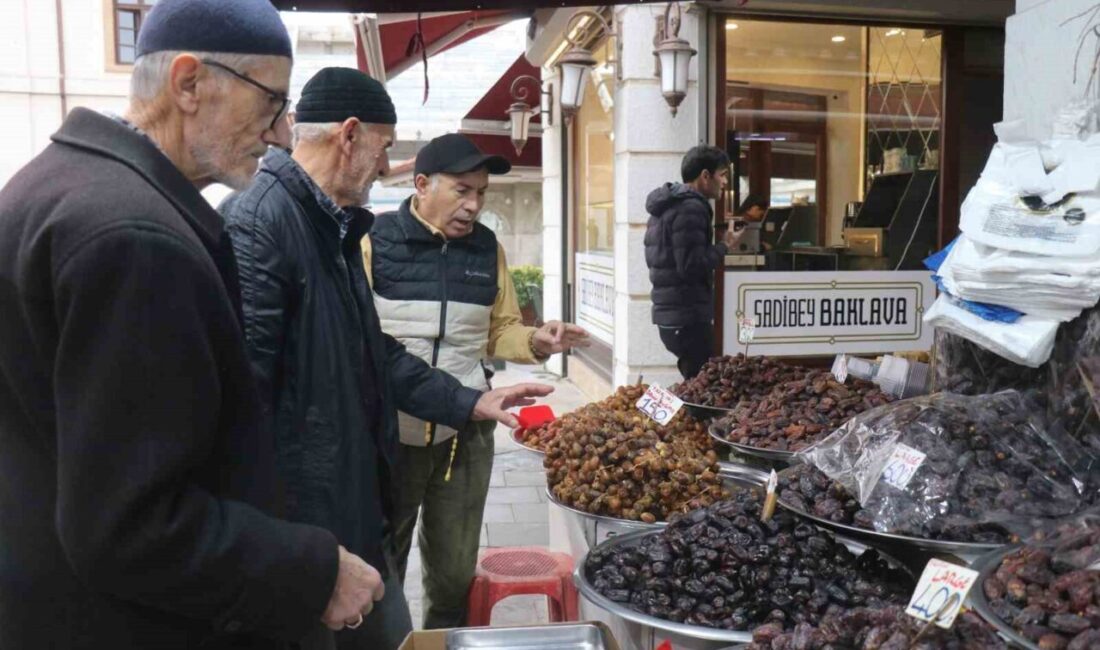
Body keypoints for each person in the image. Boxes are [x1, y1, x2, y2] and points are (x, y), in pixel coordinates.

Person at [0, 1, 389, 648]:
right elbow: (132, 525)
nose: (280, 133)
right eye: (271, 103)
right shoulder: (135, 237)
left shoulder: (48, 186)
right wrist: (313, 571)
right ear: (188, 84)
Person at [220, 68, 552, 650]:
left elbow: (373, 352)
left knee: (403, 612)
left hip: (353, 495)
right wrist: (303, 554)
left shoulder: (334, 229)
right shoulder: (260, 223)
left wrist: (470, 401)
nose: (384, 166)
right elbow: (244, 414)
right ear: (349, 136)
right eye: (384, 148)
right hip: (314, 525)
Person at [362, 133, 590, 629]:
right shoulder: (374, 240)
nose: (474, 205)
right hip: (387, 434)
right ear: (422, 185)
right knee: (380, 572)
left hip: (464, 433)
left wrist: (536, 340)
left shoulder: (487, 249)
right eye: (462, 190)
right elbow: (360, 342)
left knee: (453, 575)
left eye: (482, 192)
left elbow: (499, 329)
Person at [644, 145, 737, 380]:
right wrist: (725, 245)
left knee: (695, 381)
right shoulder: (691, 208)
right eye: (722, 175)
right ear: (705, 176)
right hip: (687, 317)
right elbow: (691, 267)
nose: (725, 182)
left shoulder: (669, 204)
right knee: (702, 385)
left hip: (671, 316)